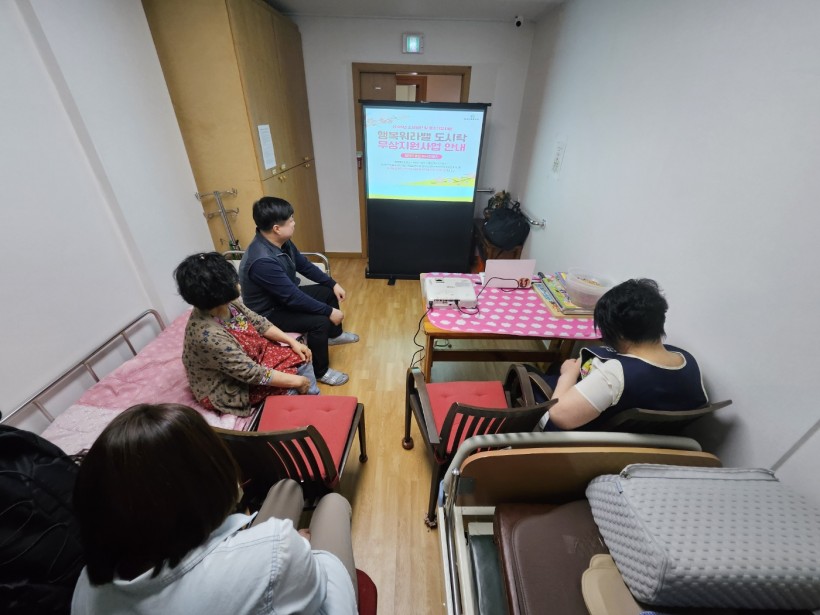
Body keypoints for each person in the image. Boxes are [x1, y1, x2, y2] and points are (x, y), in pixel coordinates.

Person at [71, 403, 358, 615]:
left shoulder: (87, 590)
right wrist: (302, 550)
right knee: (333, 503)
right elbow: (326, 602)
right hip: (289, 570)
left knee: (288, 486)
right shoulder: (277, 549)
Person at [540, 278, 707, 430]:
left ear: (618, 334)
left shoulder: (617, 372)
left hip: (581, 440)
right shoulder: (689, 362)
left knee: (536, 374)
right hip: (644, 443)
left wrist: (568, 374)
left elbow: (559, 416)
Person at [174, 252, 319, 417]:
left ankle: (315, 399)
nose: (238, 283)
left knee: (302, 356)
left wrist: (292, 342)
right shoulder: (207, 336)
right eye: (233, 281)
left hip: (249, 360)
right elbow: (252, 374)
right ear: (220, 291)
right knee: (290, 388)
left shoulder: (228, 304)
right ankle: (309, 414)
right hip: (229, 384)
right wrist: (297, 381)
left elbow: (260, 323)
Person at [239, 197, 358, 387]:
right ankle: (321, 371)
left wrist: (332, 283)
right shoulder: (262, 261)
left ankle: (334, 335)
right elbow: (293, 298)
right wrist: (329, 312)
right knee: (320, 322)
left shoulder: (282, 242)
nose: (294, 223)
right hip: (269, 311)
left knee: (327, 292)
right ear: (277, 228)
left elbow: (304, 265)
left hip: (283, 297)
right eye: (290, 220)